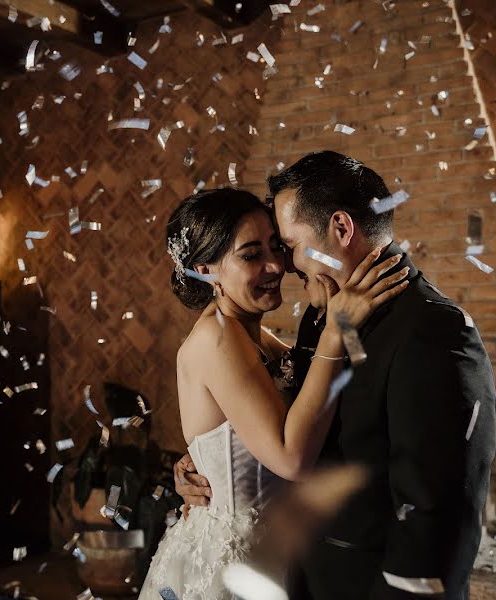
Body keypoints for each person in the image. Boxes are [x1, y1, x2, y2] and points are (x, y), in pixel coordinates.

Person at [174, 151, 496, 599]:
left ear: (341, 228)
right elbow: (286, 424)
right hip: (294, 573)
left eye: (284, 245)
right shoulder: (320, 317)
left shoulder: (433, 330)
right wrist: (203, 460)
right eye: (263, 251)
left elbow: (436, 517)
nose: (282, 265)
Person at [139, 188, 408, 600]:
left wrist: (342, 319)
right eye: (251, 254)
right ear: (205, 270)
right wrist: (336, 330)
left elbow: (345, 380)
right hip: (234, 565)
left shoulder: (259, 338)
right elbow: (291, 458)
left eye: (276, 247)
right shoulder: (217, 339)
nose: (275, 265)